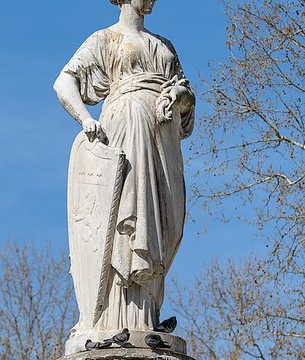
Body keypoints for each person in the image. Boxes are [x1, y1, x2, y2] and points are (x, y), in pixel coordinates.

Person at [54, 0, 195, 334]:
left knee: (167, 224)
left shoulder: (165, 45)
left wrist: (180, 96)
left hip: (164, 136)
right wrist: (85, 119)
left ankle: (150, 313)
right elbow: (63, 82)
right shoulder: (105, 39)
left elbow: (187, 99)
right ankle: (114, 319)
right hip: (126, 125)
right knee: (126, 216)